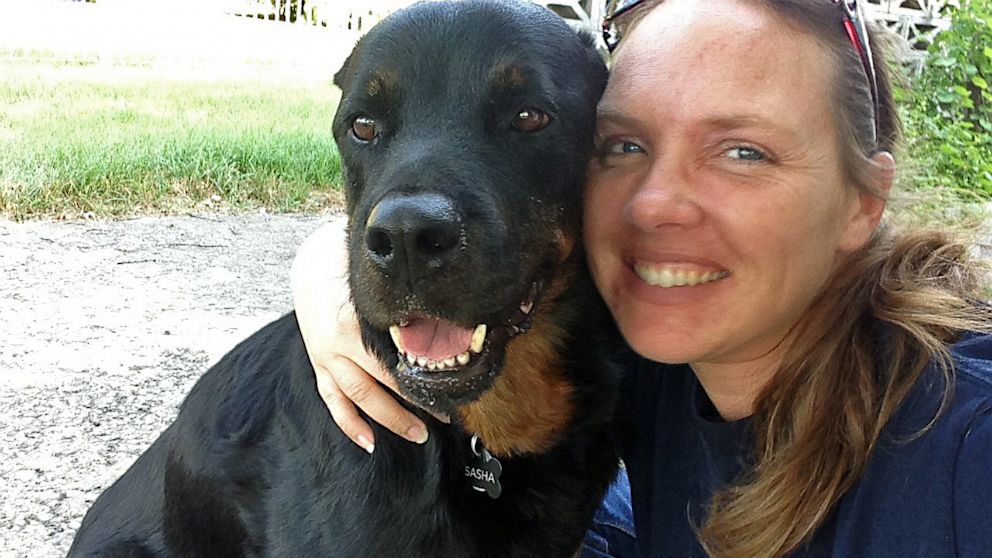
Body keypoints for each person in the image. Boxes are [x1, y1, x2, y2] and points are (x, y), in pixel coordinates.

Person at [290, 0, 992, 556]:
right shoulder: (651, 351)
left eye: (743, 151)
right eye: (623, 145)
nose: (653, 202)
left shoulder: (960, 452)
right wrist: (329, 272)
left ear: (863, 202)